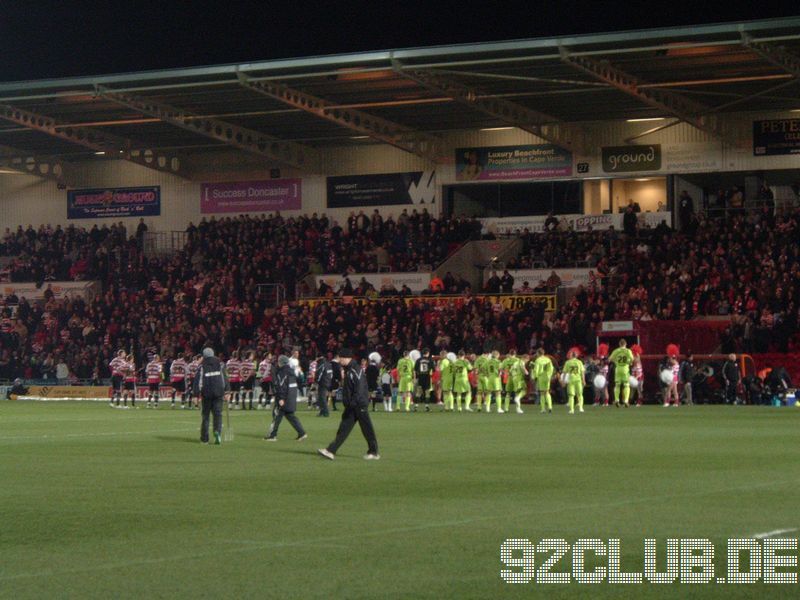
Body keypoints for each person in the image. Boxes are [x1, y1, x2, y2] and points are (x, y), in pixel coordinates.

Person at [318, 348, 379, 461]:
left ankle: (374, 452)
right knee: (344, 428)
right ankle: (331, 450)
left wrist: (353, 402)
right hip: (353, 405)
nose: (339, 360)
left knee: (367, 429)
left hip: (358, 405)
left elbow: (359, 389)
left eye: (341, 358)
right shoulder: (350, 369)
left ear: (346, 358)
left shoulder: (355, 370)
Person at [265, 355, 308, 442]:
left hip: (283, 398)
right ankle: (302, 433)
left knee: (277, 415)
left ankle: (272, 435)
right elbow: (301, 381)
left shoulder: (282, 373)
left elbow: (281, 386)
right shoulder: (293, 371)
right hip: (291, 397)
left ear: (281, 363)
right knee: (290, 416)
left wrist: (281, 398)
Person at [194, 347, 228, 445]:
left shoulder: (201, 366)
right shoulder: (220, 364)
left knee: (205, 416)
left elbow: (197, 381)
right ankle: (217, 432)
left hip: (207, 393)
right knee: (218, 415)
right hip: (218, 393)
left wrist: (196, 395)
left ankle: (204, 439)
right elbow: (224, 378)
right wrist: (227, 391)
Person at [608, 339, 634, 407]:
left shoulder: (616, 351)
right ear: (625, 344)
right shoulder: (628, 351)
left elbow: (610, 359)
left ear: (619, 344)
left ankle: (616, 400)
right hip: (625, 369)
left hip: (618, 369)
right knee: (626, 385)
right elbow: (632, 359)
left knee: (617, 385)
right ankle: (626, 401)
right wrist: (629, 362)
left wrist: (615, 361)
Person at [501, 349, 527, 414]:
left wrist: (505, 373)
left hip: (509, 378)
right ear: (515, 354)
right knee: (517, 393)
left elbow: (501, 369)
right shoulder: (518, 360)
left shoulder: (505, 360)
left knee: (508, 393)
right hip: (516, 378)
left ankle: (506, 409)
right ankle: (518, 409)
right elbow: (522, 367)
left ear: (509, 354)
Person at [532, 349, 554, 413]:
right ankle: (550, 407)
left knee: (542, 393)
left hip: (541, 377)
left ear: (538, 353)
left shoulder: (538, 360)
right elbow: (551, 368)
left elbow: (536, 369)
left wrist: (534, 376)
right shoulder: (548, 359)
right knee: (547, 392)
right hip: (547, 377)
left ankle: (543, 409)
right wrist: (549, 376)